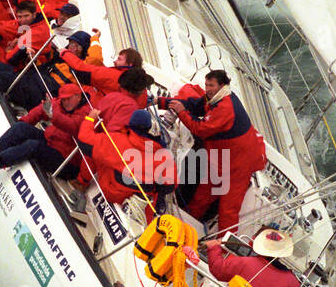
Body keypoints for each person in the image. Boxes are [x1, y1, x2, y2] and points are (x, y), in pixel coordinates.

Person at [162, 69, 266, 235]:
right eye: (206, 85)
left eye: (211, 85)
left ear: (222, 86)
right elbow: (196, 105)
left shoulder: (225, 108)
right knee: (202, 196)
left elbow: (201, 129)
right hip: (221, 160)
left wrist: (181, 112)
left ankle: (222, 246)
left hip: (239, 166)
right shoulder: (216, 98)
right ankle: (186, 224)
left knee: (227, 211)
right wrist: (162, 102)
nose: (208, 89)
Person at [0, 82, 95, 178]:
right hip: (50, 141)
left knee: (33, 146)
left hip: (66, 161)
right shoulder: (59, 104)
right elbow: (40, 111)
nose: (65, 102)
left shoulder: (87, 113)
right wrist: (22, 125)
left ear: (78, 97)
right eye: (63, 99)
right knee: (21, 128)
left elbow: (72, 125)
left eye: (68, 98)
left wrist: (53, 115)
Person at [82, 109, 176, 213]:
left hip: (111, 195)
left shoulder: (115, 140)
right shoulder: (162, 155)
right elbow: (169, 186)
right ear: (149, 128)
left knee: (100, 157)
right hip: (141, 208)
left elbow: (84, 140)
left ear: (130, 124)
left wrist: (90, 119)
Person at [58, 45, 143, 94]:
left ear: (129, 64)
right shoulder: (141, 89)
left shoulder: (114, 75)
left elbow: (81, 68)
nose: (115, 61)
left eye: (119, 59)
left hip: (93, 110)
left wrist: (64, 53)